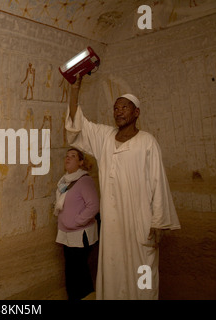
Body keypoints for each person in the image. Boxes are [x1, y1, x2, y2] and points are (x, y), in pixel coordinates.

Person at [65, 75, 181, 300]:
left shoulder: (148, 142)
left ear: (136, 112)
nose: (118, 112)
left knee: (144, 270)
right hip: (113, 227)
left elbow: (158, 182)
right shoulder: (105, 138)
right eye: (116, 108)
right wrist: (74, 91)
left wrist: (158, 221)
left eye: (124, 108)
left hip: (141, 223)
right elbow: (78, 125)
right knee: (114, 269)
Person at [54, 147, 100, 300]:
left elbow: (93, 205)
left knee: (80, 272)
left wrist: (77, 221)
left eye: (73, 156)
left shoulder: (84, 180)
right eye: (67, 156)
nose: (68, 159)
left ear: (81, 162)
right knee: (70, 272)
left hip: (81, 234)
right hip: (67, 234)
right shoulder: (64, 180)